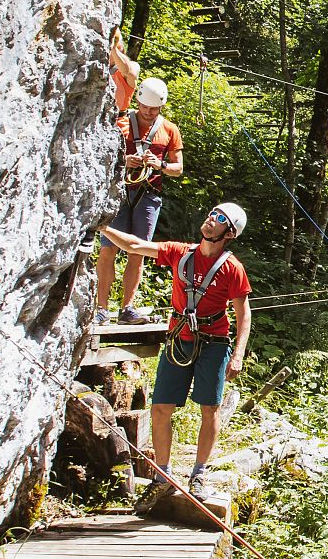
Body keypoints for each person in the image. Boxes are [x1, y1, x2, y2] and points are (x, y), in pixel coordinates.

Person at [99, 202, 252, 507]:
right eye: (211, 214)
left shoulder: (232, 268)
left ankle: (198, 474)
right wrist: (101, 226)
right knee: (161, 408)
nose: (211, 220)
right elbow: (136, 244)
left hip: (214, 343)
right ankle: (163, 476)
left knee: (209, 409)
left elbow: (243, 313)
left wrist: (238, 354)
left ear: (229, 232)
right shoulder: (181, 252)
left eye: (219, 219)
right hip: (178, 339)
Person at [94, 73, 184, 324]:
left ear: (161, 107)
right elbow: (100, 158)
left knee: (139, 252)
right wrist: (124, 162)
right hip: (120, 192)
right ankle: (101, 308)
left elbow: (178, 169)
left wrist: (160, 164)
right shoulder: (121, 123)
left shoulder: (169, 130)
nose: (148, 113)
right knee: (108, 248)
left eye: (154, 109)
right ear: (139, 103)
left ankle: (127, 308)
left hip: (149, 194)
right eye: (145, 107)